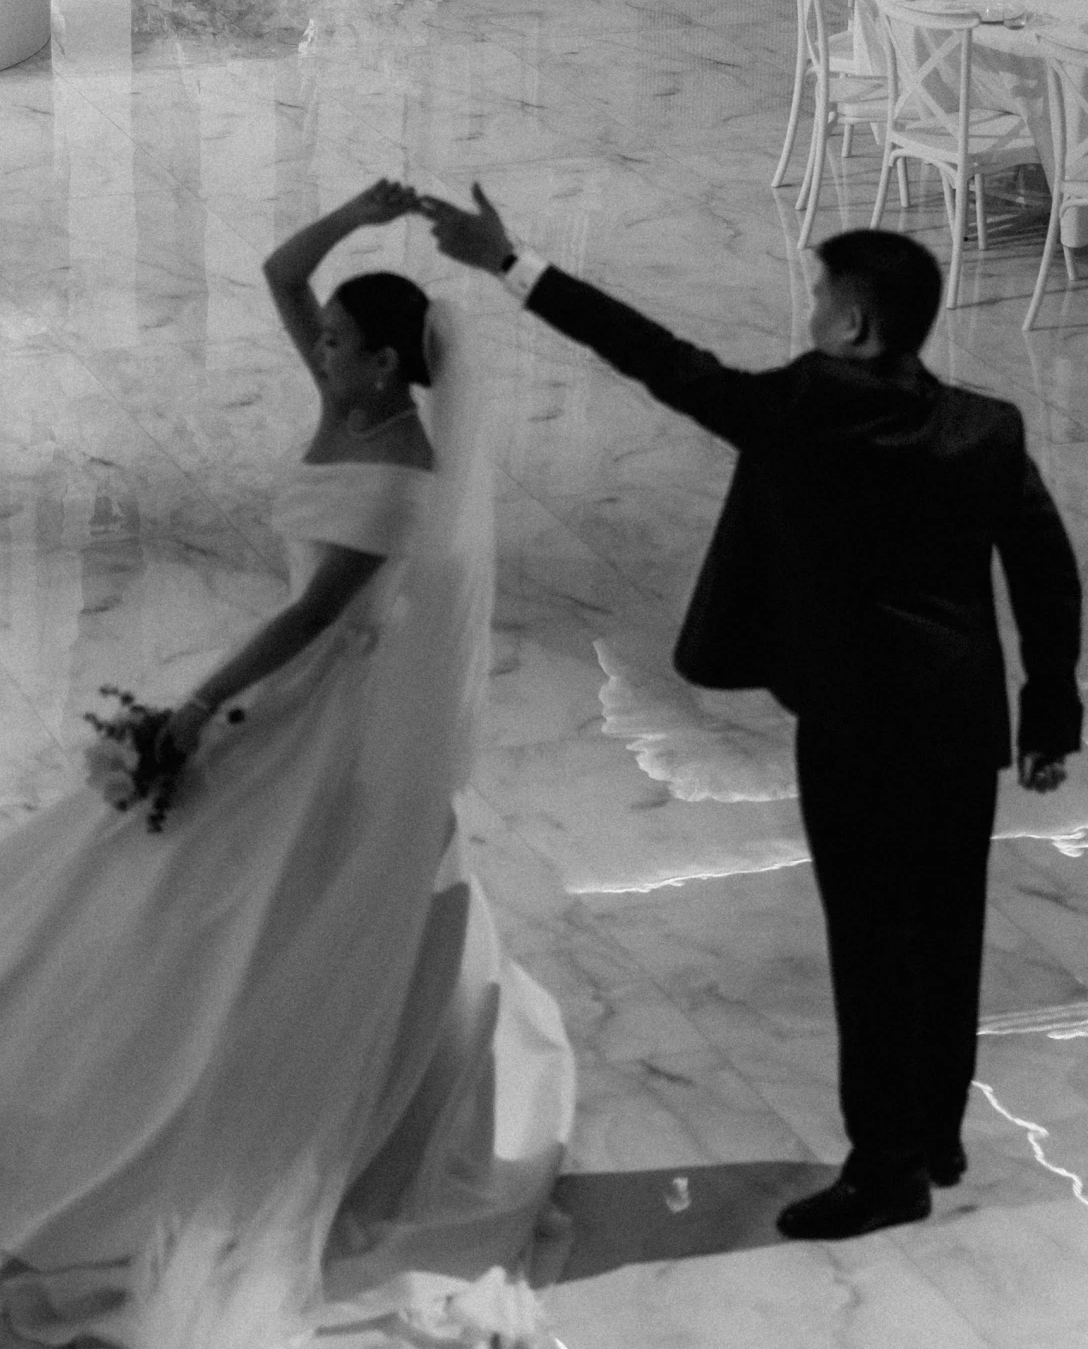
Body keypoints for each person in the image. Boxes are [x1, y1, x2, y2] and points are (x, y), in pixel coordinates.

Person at [0, 182, 574, 1349]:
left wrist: (193, 710)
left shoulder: (402, 478)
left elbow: (310, 617)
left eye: (339, 342)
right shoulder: (347, 402)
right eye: (324, 340)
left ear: (385, 365)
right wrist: (360, 212)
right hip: (299, 687)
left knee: (240, 893)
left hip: (327, 711)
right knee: (154, 879)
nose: (317, 350)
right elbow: (281, 275)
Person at [421, 192, 1082, 1242]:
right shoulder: (984, 428)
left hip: (856, 726)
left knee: (871, 945)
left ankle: (885, 1170)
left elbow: (656, 357)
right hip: (956, 722)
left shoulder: (801, 411)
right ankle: (933, 1133)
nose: (808, 312)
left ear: (855, 324)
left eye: (821, 298)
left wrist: (513, 263)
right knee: (946, 931)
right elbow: (1046, 574)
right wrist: (1049, 711)